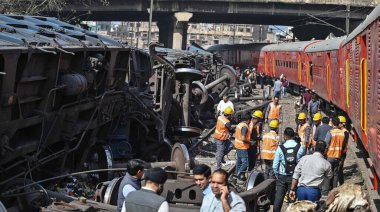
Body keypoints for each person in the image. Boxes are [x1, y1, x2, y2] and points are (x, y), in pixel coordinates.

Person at [273, 127, 306, 212]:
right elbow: (302, 163)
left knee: (279, 197)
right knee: (292, 197)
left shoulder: (280, 148)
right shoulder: (300, 147)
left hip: (282, 176)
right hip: (294, 177)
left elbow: (275, 165)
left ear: (285, 136)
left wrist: (277, 175)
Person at [324, 117, 349, 190]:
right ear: (338, 123)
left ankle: (327, 189)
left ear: (332, 123)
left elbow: (326, 144)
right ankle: (334, 189)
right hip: (338, 156)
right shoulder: (342, 133)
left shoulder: (330, 132)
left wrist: (324, 154)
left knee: (328, 173)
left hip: (330, 155)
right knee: (335, 173)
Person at [234, 116, 251, 181]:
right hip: (242, 147)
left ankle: (236, 176)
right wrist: (250, 142)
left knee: (239, 162)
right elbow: (243, 138)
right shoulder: (245, 127)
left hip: (238, 145)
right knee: (245, 163)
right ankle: (237, 175)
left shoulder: (239, 124)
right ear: (248, 120)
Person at [337, 115, 350, 186]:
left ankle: (341, 184)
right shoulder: (341, 131)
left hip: (342, 153)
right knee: (339, 169)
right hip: (340, 152)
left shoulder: (345, 132)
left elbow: (344, 143)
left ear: (342, 124)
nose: (337, 124)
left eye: (339, 123)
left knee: (340, 169)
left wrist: (340, 152)